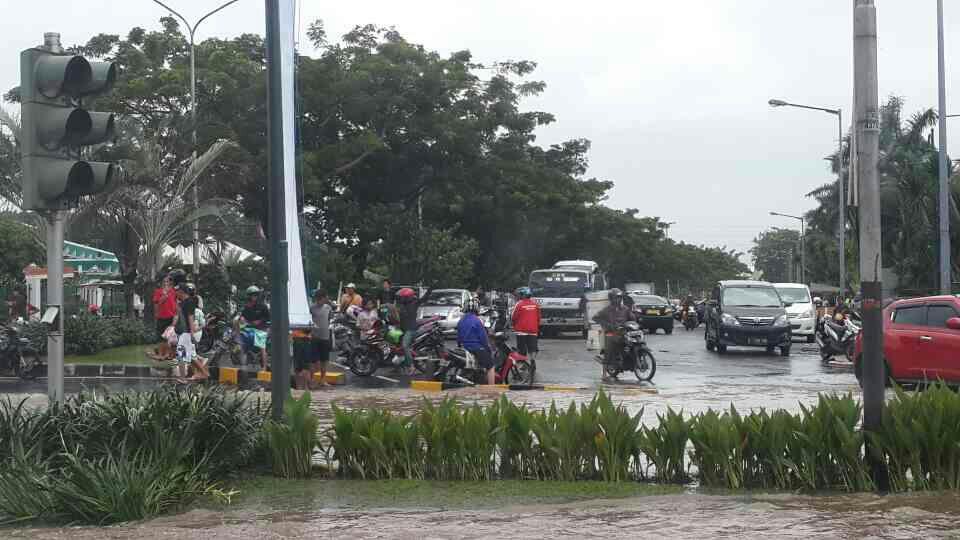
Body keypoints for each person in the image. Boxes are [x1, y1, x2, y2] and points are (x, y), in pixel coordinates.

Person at [592, 288, 636, 371]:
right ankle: (607, 364)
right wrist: (607, 325)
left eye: (620, 297)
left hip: (624, 332)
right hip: (611, 332)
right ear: (611, 299)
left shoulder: (625, 308)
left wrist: (635, 318)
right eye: (616, 297)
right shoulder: (607, 310)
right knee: (612, 341)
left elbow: (632, 318)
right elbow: (595, 318)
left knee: (634, 341)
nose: (618, 299)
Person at [457, 299, 496, 384]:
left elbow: (459, 337)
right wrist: (488, 348)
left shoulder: (461, 320)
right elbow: (483, 338)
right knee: (491, 366)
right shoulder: (477, 321)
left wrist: (460, 346)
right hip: (477, 348)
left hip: (465, 348)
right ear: (477, 308)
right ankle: (492, 388)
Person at [302, 289, 332, 390]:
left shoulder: (328, 307)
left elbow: (328, 319)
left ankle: (323, 380)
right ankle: (312, 380)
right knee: (313, 361)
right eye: (321, 299)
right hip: (314, 337)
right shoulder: (311, 308)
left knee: (325, 359)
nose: (323, 300)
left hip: (325, 336)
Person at [173, 282, 204, 380]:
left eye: (177, 291)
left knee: (181, 356)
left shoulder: (189, 302)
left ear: (181, 291)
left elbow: (191, 318)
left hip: (186, 332)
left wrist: (191, 333)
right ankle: (203, 373)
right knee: (191, 357)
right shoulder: (182, 303)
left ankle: (183, 378)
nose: (176, 293)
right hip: (183, 332)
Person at [396, 287, 430, 374]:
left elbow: (424, 298)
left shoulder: (414, 303)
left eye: (403, 297)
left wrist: (430, 289)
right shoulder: (401, 305)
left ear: (408, 297)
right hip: (403, 329)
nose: (401, 298)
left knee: (405, 346)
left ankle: (411, 366)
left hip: (410, 330)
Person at [239, 285, 271, 370]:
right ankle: (244, 365)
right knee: (243, 344)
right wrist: (242, 319)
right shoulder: (247, 307)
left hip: (262, 328)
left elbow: (268, 318)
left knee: (262, 347)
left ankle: (264, 367)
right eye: (251, 295)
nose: (253, 297)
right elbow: (242, 316)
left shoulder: (263, 306)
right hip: (250, 328)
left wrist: (260, 321)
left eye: (255, 295)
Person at [511, 287, 541, 360]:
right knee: (532, 348)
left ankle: (522, 364)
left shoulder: (519, 304)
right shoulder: (535, 304)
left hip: (521, 330)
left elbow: (513, 317)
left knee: (521, 349)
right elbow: (538, 317)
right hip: (533, 330)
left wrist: (514, 324)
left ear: (522, 295)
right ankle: (532, 360)